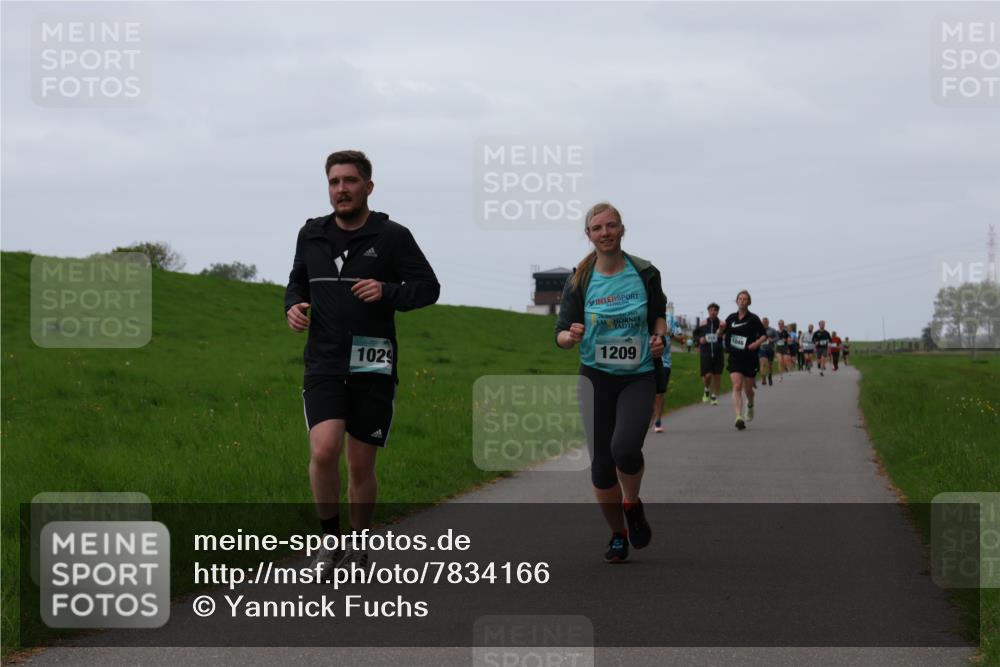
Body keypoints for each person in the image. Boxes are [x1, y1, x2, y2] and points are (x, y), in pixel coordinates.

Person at [285, 150, 440, 574]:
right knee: (323, 449)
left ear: (368, 186)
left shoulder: (392, 236)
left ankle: (359, 543)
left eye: (349, 181)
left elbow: (429, 288)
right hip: (324, 363)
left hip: (373, 363)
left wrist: (388, 291)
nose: (341, 189)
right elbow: (297, 281)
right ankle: (329, 542)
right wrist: (294, 306)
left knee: (359, 464)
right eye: (334, 182)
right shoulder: (311, 234)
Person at [555, 202, 666, 563]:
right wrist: (570, 338)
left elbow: (659, 316)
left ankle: (631, 503)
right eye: (597, 228)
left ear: (622, 229)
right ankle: (618, 534)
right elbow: (560, 333)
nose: (605, 233)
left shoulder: (645, 272)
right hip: (596, 377)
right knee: (601, 465)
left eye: (611, 226)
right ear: (588, 235)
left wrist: (658, 337)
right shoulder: (579, 279)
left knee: (625, 448)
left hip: (638, 375)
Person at [716, 290, 767, 430]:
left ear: (749, 302)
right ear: (737, 301)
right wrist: (720, 329)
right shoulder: (731, 318)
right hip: (735, 356)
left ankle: (750, 404)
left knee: (748, 389)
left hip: (749, 357)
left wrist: (756, 344)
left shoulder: (753, 318)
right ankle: (738, 417)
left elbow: (764, 335)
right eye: (740, 298)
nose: (742, 301)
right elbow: (720, 334)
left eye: (745, 299)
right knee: (737, 385)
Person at [651, 312, 686, 433]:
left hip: (664, 362)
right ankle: (649, 414)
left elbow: (682, 339)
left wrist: (670, 333)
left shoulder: (670, 318)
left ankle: (658, 421)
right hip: (645, 360)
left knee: (659, 393)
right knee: (647, 392)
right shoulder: (645, 313)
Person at [693, 304, 725, 405]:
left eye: (715, 310)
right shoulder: (703, 323)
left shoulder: (722, 324)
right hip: (706, 353)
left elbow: (726, 335)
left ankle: (714, 396)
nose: (713, 312)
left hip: (718, 353)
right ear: (708, 311)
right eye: (711, 310)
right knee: (707, 375)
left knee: (717, 376)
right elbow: (695, 333)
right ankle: (706, 389)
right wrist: (699, 340)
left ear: (718, 312)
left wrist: (723, 335)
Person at [758, 317, 778, 386]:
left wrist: (771, 340)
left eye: (766, 322)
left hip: (770, 349)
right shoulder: (758, 330)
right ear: (761, 322)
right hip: (762, 349)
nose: (765, 323)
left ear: (768, 323)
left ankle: (769, 377)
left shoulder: (772, 330)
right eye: (764, 322)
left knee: (769, 365)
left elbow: (777, 337)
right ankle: (763, 378)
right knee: (763, 363)